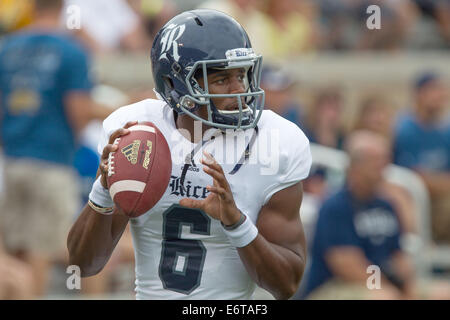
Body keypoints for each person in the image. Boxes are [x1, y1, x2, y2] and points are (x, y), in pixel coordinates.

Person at [67, 9, 312, 300]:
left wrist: (236, 222)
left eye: (241, 75)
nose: (238, 91)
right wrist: (103, 190)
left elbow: (287, 285)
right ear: (174, 84)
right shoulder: (138, 131)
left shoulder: (275, 141)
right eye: (221, 79)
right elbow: (84, 264)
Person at [0, 0, 112, 297]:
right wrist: (119, 108)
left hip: (12, 160)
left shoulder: (6, 48)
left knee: (17, 250)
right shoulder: (72, 51)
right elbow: (78, 112)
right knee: (41, 249)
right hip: (51, 162)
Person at [302, 130, 450, 300]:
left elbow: (397, 253)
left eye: (385, 159)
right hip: (336, 286)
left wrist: (406, 284)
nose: (383, 167)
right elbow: (346, 264)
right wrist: (389, 288)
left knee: (444, 293)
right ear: (355, 166)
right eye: (376, 161)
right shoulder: (335, 207)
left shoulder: (386, 204)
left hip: (381, 284)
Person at [393, 72, 450, 243]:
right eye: (433, 90)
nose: (440, 95)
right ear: (419, 94)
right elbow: (415, 177)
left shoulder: (444, 131)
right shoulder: (405, 129)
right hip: (414, 197)